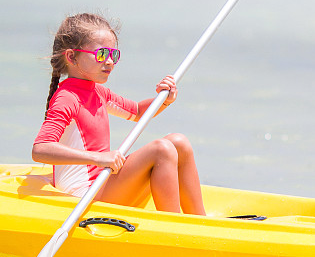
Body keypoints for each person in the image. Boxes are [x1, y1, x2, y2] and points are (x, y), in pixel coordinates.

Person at [32, 13, 206, 215]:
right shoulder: (67, 98)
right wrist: (98, 158)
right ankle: (175, 227)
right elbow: (41, 149)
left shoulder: (97, 92)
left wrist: (164, 99)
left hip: (103, 182)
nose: (109, 62)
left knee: (179, 142)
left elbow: (139, 111)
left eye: (113, 55)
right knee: (162, 149)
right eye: (101, 54)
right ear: (72, 57)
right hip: (83, 195)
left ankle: (200, 220)